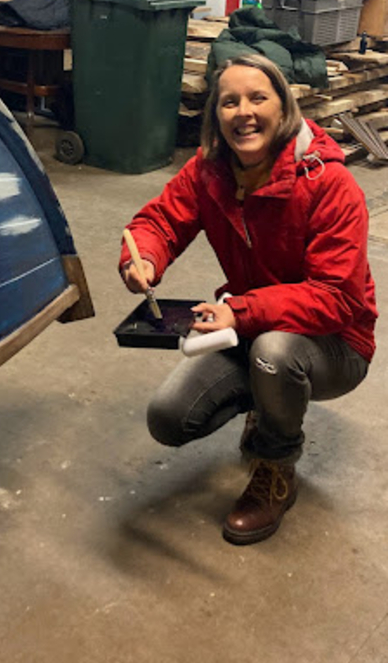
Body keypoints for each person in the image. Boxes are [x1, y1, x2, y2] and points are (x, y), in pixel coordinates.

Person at [119, 54, 378, 545]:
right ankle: (266, 399)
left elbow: (334, 298)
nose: (244, 112)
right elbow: (159, 221)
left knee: (275, 355)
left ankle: (276, 463)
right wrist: (145, 258)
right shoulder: (210, 171)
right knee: (170, 418)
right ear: (216, 116)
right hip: (255, 325)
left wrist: (238, 312)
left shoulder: (329, 183)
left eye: (258, 98)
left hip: (336, 345)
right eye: (229, 101)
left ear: (284, 108)